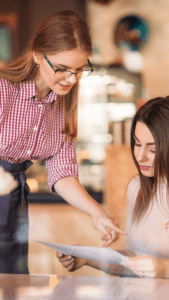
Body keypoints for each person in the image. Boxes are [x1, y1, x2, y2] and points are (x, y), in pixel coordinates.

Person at [0, 10, 125, 274]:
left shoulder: (62, 106)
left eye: (80, 70)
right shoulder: (3, 91)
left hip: (12, 201)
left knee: (10, 277)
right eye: (62, 68)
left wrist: (97, 213)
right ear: (36, 54)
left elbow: (62, 172)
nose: (71, 79)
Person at [56, 97, 169, 278]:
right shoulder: (137, 188)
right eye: (137, 144)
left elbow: (157, 268)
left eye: (152, 149)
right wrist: (87, 258)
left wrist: (164, 268)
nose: (140, 156)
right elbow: (131, 261)